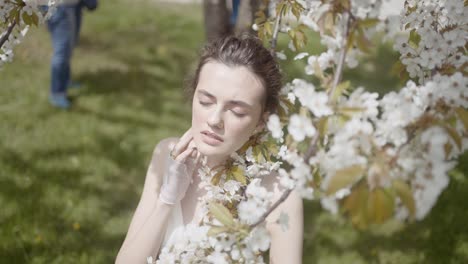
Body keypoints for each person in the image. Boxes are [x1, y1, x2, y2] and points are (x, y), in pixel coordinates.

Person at [115, 35, 303, 263]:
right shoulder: (167, 154)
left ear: (261, 122)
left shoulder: (278, 194)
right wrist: (167, 200)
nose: (214, 119)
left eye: (237, 112)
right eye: (205, 101)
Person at [44, 0, 97, 109]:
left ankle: (66, 80)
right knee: (62, 51)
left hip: (74, 5)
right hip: (61, 7)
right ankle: (57, 93)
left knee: (68, 47)